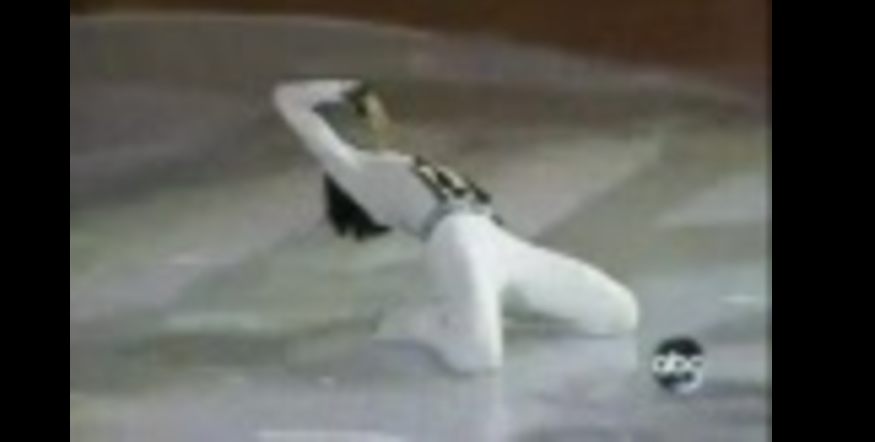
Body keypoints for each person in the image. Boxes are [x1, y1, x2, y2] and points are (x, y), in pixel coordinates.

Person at [273, 79, 638, 373]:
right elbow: (287, 99)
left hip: (497, 239)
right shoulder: (354, 170)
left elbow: (291, 99)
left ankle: (477, 311)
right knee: (478, 357)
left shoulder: (394, 162)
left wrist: (346, 91)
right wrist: (338, 90)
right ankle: (421, 323)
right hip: (456, 237)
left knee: (619, 313)